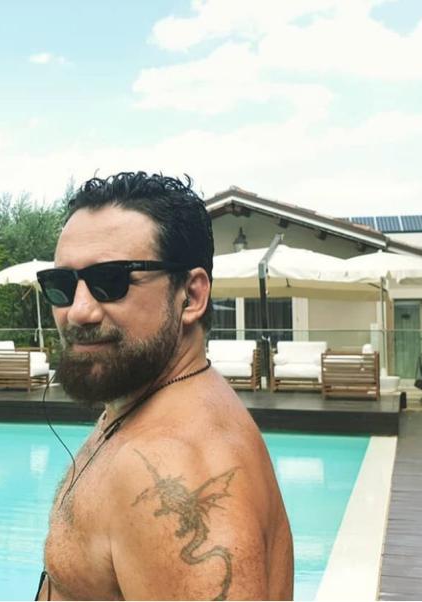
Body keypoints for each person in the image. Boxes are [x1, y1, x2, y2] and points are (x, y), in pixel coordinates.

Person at [33, 172, 293, 601]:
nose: (78, 312)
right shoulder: (147, 403)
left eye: (110, 281)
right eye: (61, 285)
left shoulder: (176, 463)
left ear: (191, 296)